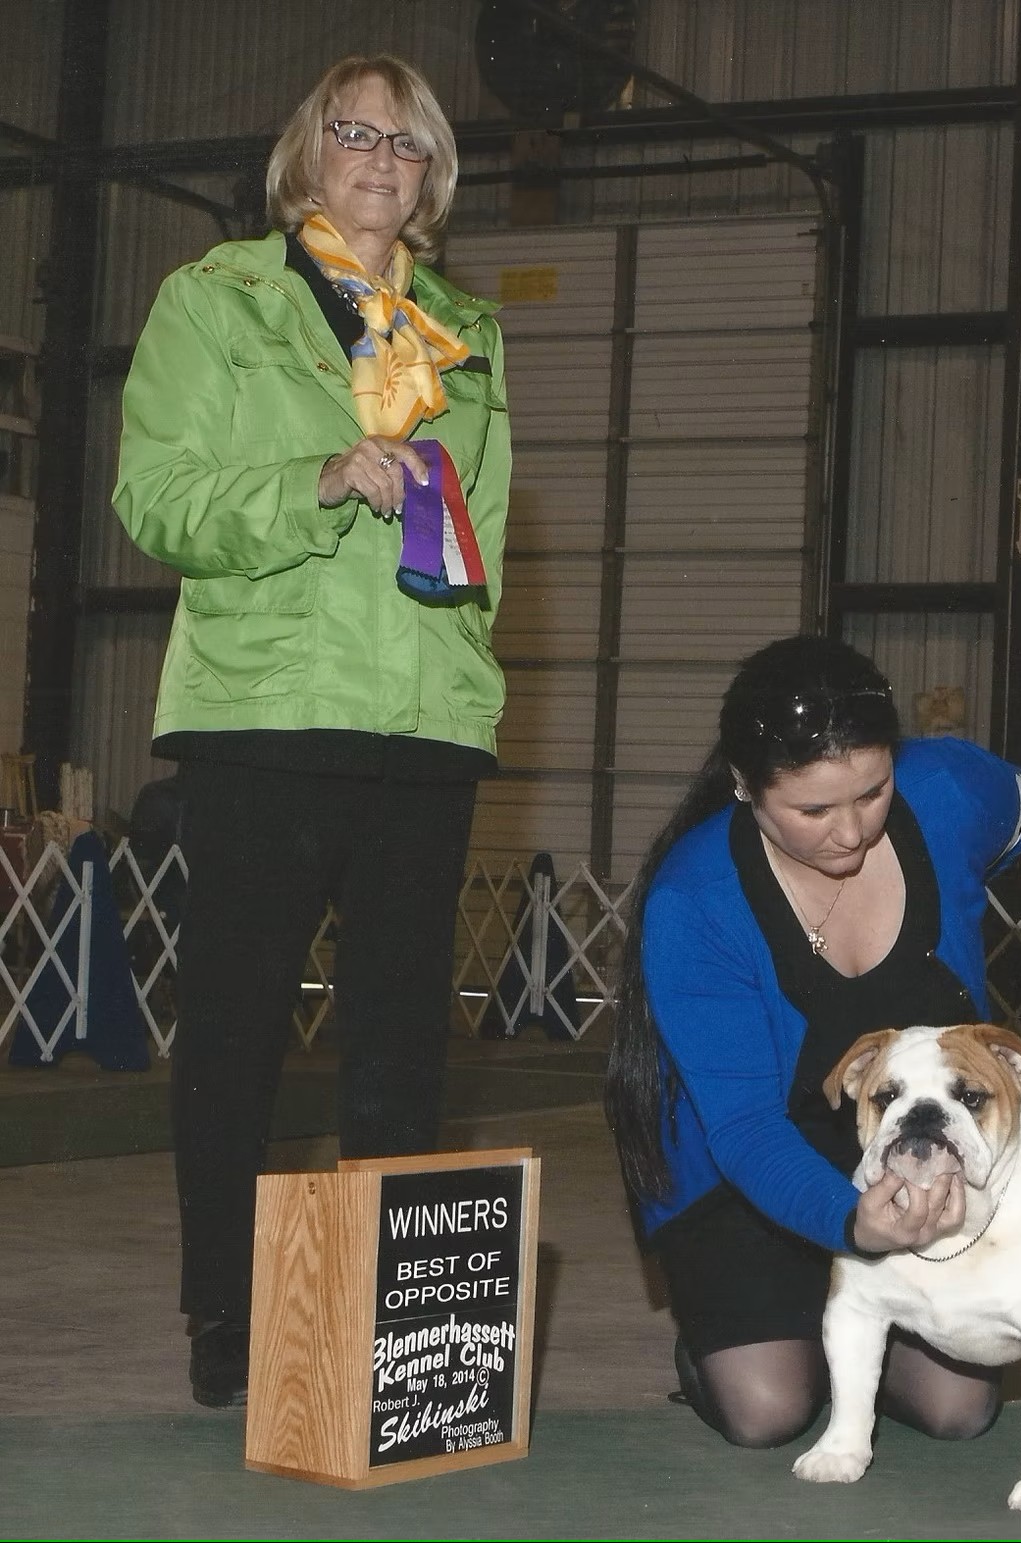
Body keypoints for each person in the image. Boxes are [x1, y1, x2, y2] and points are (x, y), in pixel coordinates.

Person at [111, 54, 511, 1410]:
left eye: (408, 144)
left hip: (421, 722)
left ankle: (395, 1332)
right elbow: (158, 497)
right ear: (307, 155)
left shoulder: (464, 329)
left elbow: (485, 537)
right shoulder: (214, 299)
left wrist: (466, 682)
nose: (381, 160)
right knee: (234, 1034)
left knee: (404, 1041)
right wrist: (317, 476)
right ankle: (225, 1312)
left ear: (433, 173)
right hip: (263, 713)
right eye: (355, 135)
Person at [605, 634, 1021, 1449]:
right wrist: (855, 1222)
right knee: (769, 1409)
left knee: (959, 1410)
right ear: (743, 786)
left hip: (901, 1140)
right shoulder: (694, 902)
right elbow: (744, 1131)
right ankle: (736, 1336)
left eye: (872, 793)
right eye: (812, 810)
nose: (850, 831)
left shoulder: (945, 789)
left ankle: (849, 1324)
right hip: (739, 1174)